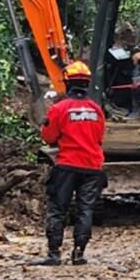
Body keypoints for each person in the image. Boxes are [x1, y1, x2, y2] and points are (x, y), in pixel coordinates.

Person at [38, 60, 106, 266]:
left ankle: (54, 254)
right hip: (93, 167)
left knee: (58, 208)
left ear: (67, 82)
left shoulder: (59, 109)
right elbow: (100, 137)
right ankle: (79, 253)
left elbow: (48, 137)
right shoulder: (97, 110)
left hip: (67, 165)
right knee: (85, 210)